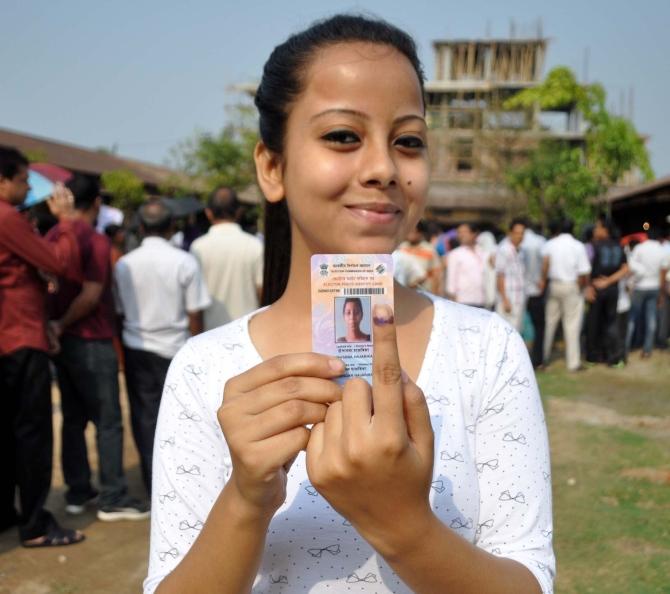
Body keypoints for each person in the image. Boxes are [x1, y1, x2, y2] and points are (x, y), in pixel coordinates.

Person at [145, 15, 553, 594]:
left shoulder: (486, 350)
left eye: (408, 141)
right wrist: (246, 497)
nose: (384, 168)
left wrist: (403, 523)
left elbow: (529, 578)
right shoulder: (204, 369)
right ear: (272, 166)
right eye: (343, 136)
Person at [47, 174, 149, 521]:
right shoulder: (94, 241)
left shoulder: (53, 235)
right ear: (96, 204)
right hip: (92, 338)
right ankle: (112, 495)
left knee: (73, 420)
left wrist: (56, 324)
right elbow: (91, 295)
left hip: (61, 342)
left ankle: (78, 492)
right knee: (108, 421)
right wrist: (63, 323)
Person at [0, 147, 85, 547]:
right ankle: (34, 525)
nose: (24, 189)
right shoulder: (6, 216)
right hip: (20, 335)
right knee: (32, 434)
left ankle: (9, 514)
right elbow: (59, 263)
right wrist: (66, 223)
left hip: (8, 336)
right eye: (21, 181)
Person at [114, 199, 211, 494]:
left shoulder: (124, 264)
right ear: (172, 227)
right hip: (176, 349)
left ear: (141, 228)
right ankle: (180, 484)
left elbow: (119, 312)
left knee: (144, 419)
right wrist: (196, 351)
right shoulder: (184, 261)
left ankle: (151, 483)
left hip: (136, 347)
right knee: (181, 420)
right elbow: (195, 312)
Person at [190, 186, 263, 330]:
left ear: (208, 213)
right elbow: (262, 292)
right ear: (238, 212)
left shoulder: (198, 247)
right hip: (248, 333)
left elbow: (194, 299)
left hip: (210, 334)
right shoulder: (255, 245)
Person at [540, 218, 591, 371]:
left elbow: (545, 265)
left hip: (554, 284)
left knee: (549, 322)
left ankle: (544, 357)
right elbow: (584, 272)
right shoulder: (578, 246)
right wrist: (581, 288)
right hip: (571, 285)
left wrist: (543, 281)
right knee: (572, 325)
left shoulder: (550, 244)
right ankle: (573, 362)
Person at [584, 218, 628, 366]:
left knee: (594, 323)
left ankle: (593, 356)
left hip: (597, 289)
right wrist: (610, 281)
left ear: (605, 230)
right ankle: (614, 357)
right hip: (612, 290)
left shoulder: (592, 246)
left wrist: (590, 286)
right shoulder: (618, 246)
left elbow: (585, 269)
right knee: (610, 323)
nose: (595, 230)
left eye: (597, 228)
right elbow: (625, 269)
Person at [625, 227, 670, 358]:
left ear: (646, 236)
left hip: (640, 286)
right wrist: (661, 292)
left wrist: (630, 284)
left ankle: (627, 346)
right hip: (654, 286)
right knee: (651, 319)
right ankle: (647, 349)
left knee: (632, 318)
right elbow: (663, 272)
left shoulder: (640, 248)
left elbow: (631, 266)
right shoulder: (662, 250)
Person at [521, 223, 547, 368]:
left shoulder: (512, 242)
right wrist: (543, 279)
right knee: (538, 327)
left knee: (520, 326)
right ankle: (538, 360)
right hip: (537, 291)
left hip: (519, 293)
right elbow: (546, 261)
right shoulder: (540, 241)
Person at [495, 218, 527, 331]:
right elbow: (500, 275)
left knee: (516, 331)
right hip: (508, 297)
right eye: (517, 233)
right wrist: (504, 299)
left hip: (519, 297)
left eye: (522, 233)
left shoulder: (522, 251)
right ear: (510, 233)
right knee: (505, 331)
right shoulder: (504, 249)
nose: (520, 236)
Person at [445, 223, 487, 307]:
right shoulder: (455, 254)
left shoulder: (484, 252)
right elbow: (451, 279)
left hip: (482, 300)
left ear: (474, 234)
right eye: (459, 232)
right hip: (463, 301)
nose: (461, 235)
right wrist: (453, 301)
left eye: (464, 232)